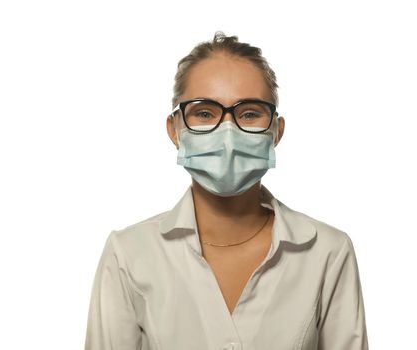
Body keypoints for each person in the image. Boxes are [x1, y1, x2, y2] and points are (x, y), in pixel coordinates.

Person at [84, 31, 368, 350]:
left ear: (276, 130)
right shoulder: (129, 253)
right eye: (204, 113)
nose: (228, 131)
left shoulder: (327, 252)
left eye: (249, 113)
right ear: (175, 130)